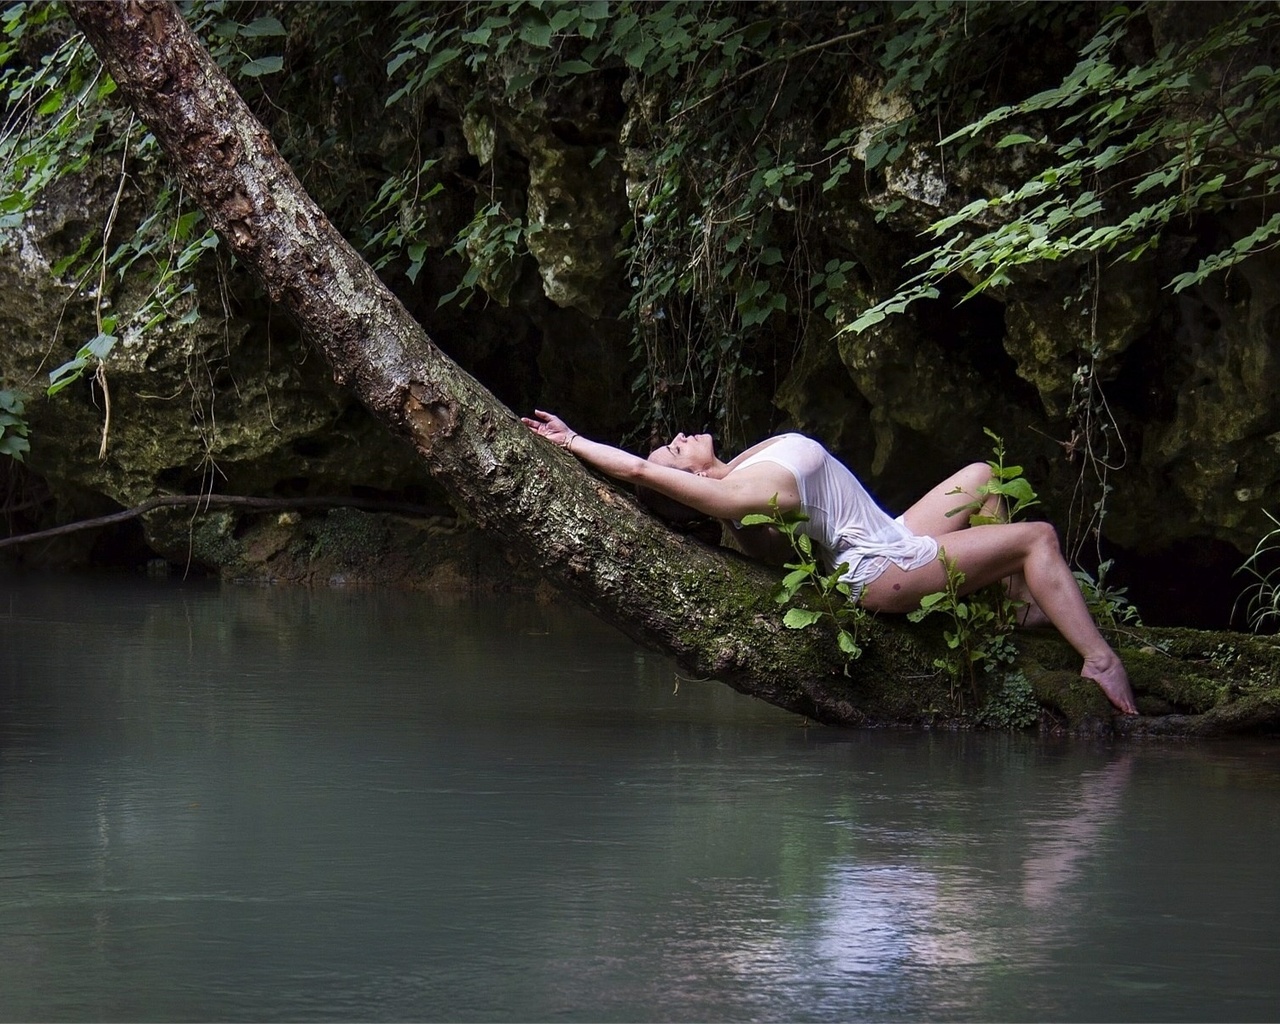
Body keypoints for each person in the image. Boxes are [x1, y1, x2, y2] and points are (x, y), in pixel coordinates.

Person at [521, 410, 1138, 715]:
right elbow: (634, 469)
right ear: (684, 482)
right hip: (881, 568)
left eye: (671, 442)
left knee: (982, 477)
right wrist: (571, 442)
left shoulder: (742, 465)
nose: (676, 441)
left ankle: (1015, 609)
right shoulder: (742, 496)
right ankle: (1100, 660)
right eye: (670, 453)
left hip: (892, 533)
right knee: (1038, 537)